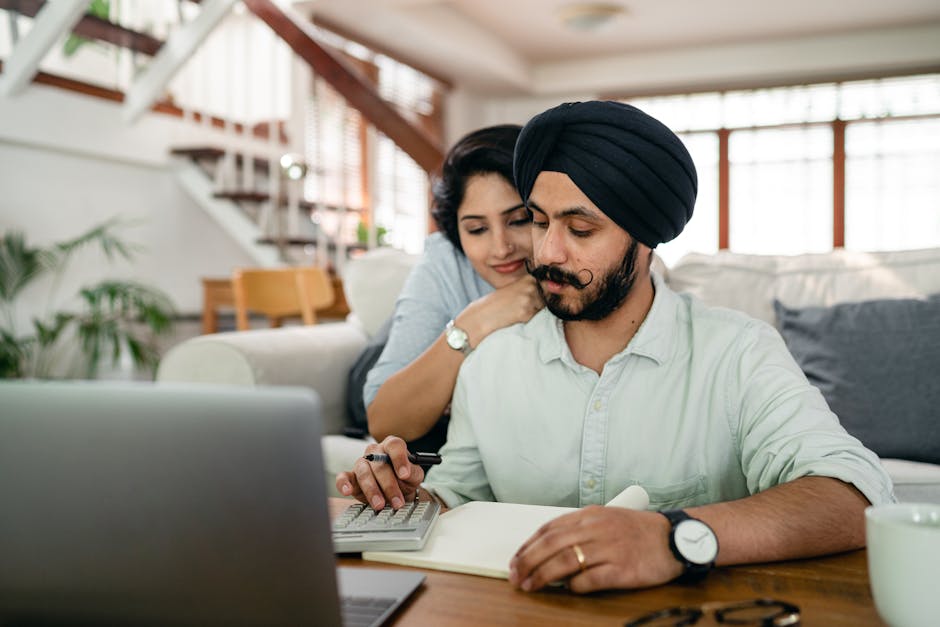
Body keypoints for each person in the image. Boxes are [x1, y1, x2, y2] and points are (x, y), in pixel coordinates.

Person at [337, 101, 894, 592]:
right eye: (538, 220)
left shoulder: (738, 352)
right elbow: (457, 494)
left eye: (580, 230)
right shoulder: (492, 359)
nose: (547, 252)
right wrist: (401, 500)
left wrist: (675, 537)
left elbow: (853, 497)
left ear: (646, 235)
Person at [362, 125, 542, 454]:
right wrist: (475, 321)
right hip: (391, 368)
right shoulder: (445, 261)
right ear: (456, 231)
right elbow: (384, 420)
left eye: (519, 220)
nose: (501, 248)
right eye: (476, 228)